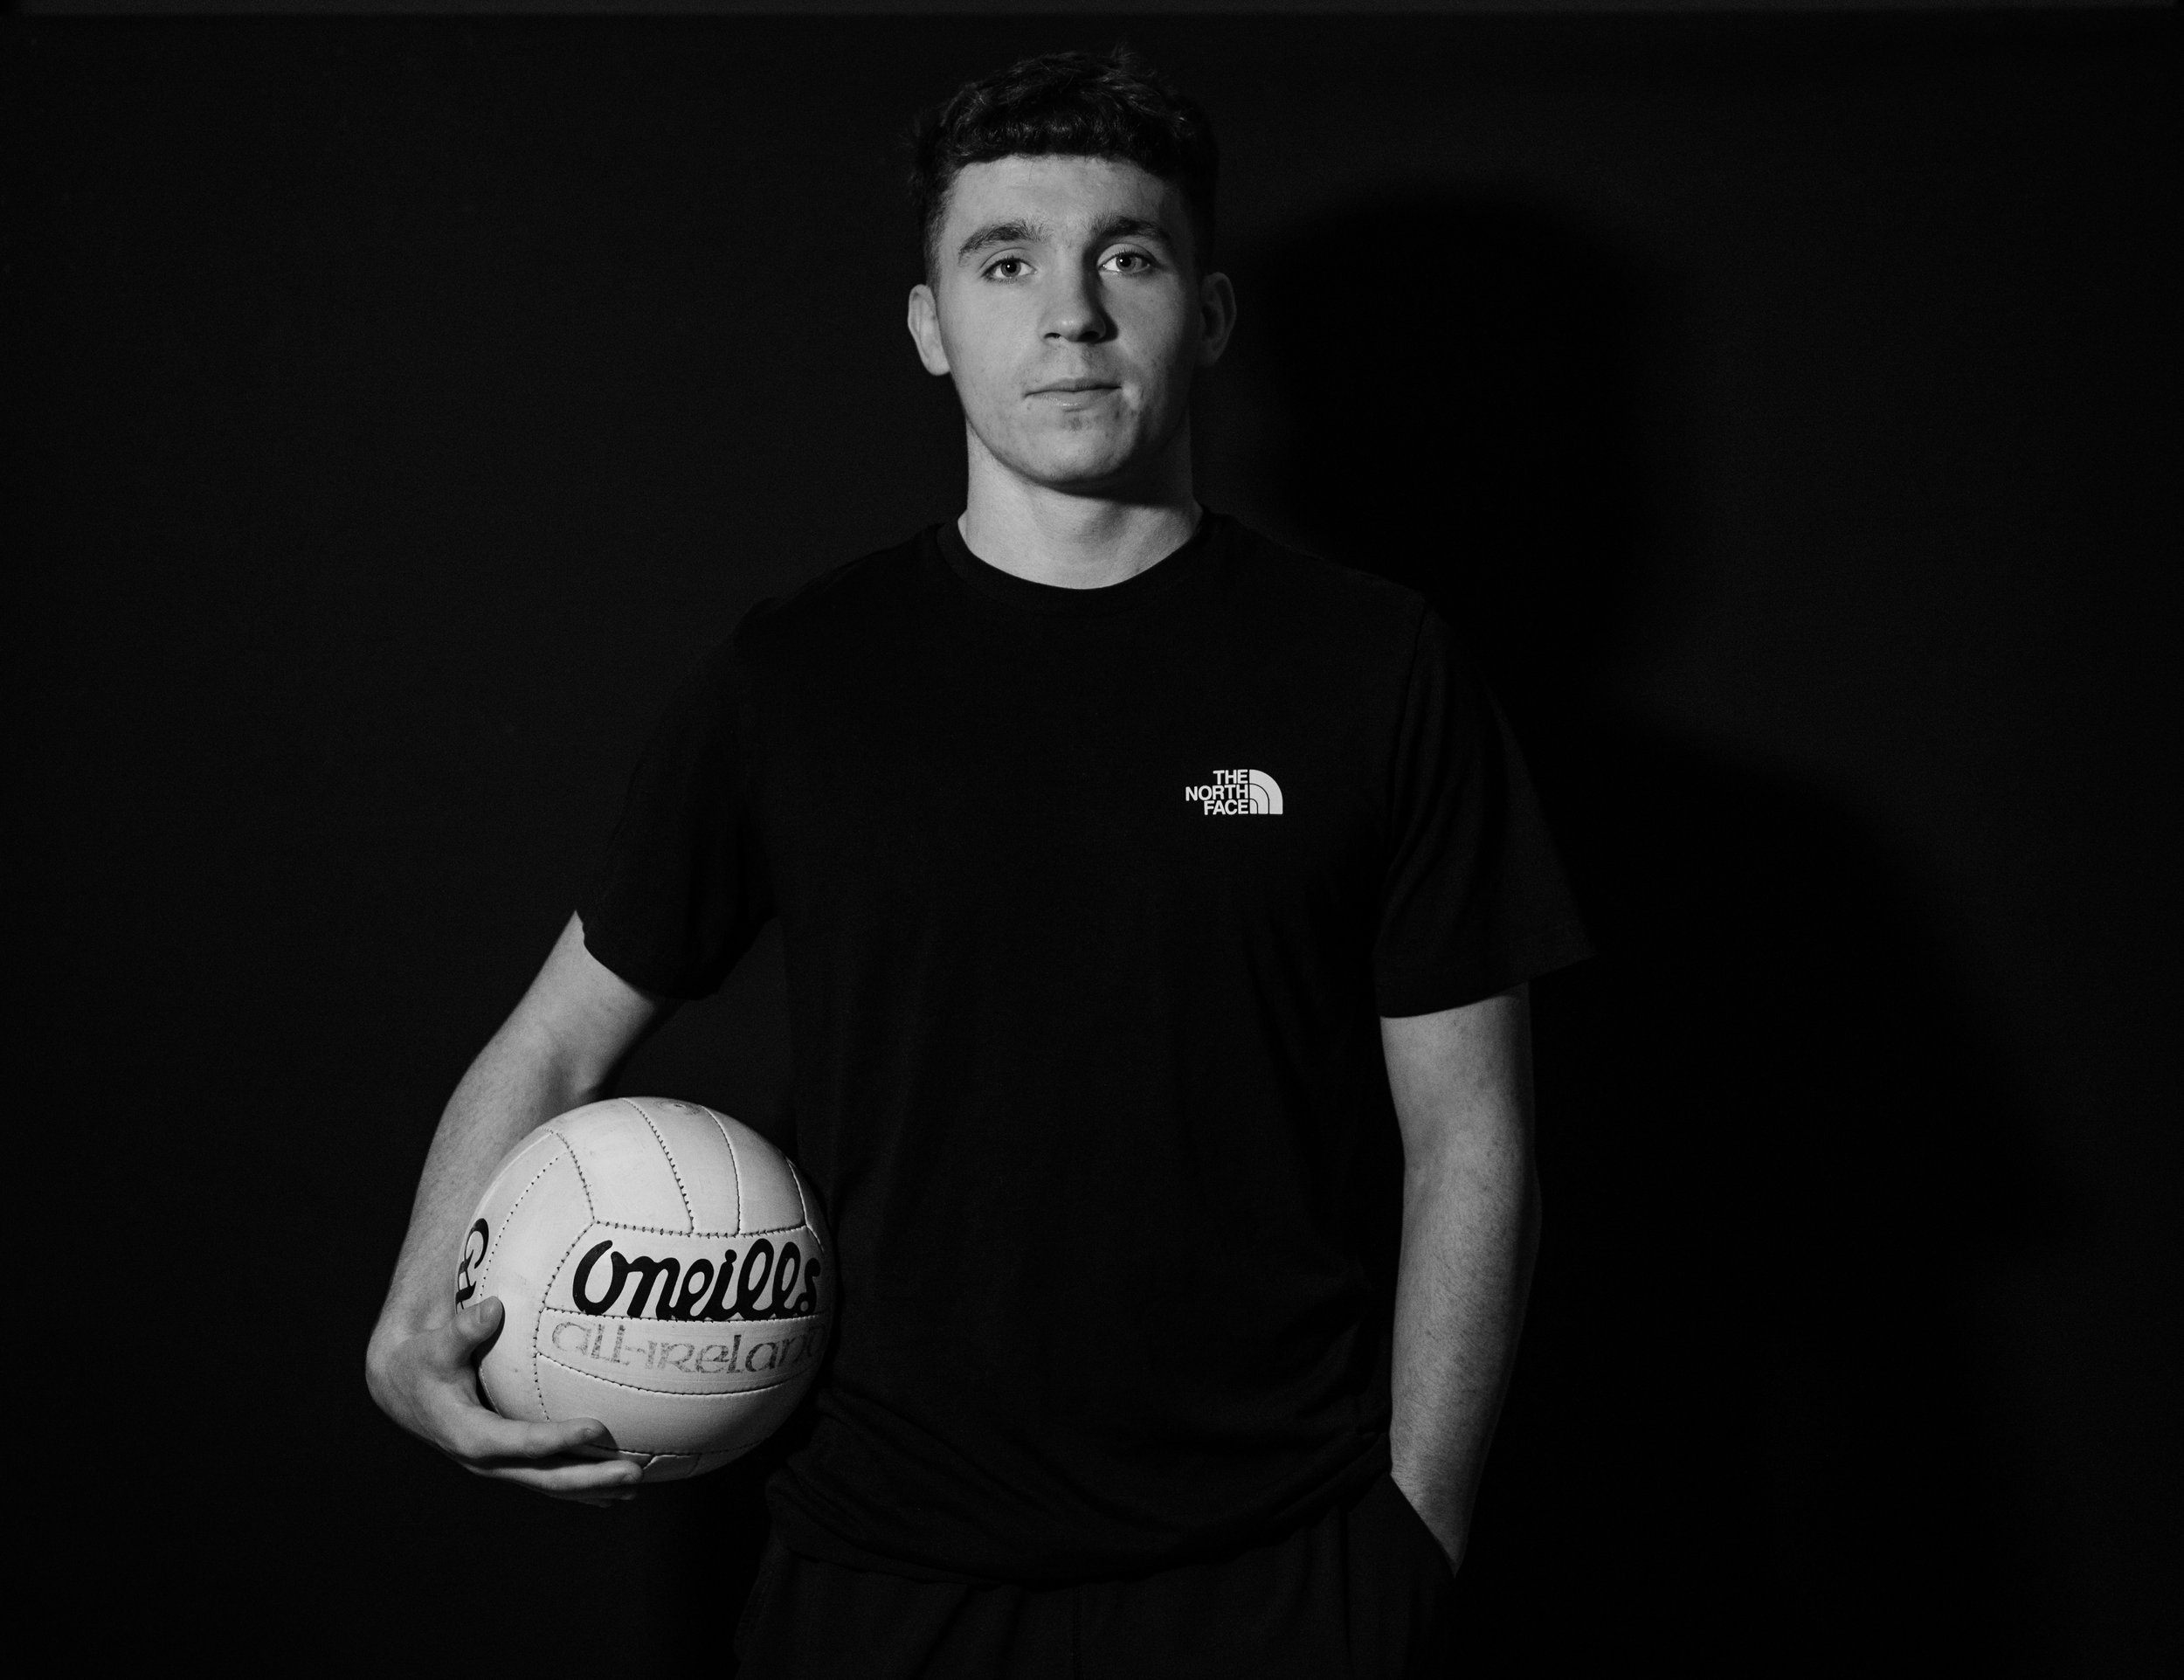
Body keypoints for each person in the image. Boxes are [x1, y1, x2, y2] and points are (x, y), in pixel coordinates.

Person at [366, 46, 1589, 1677]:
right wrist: (405, 1326)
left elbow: (1473, 1130)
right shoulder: (799, 677)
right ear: (933, 327)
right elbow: (561, 1037)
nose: (1069, 313)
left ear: (1207, 316)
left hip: (1280, 1569)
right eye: (1004, 261)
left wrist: (1412, 1533)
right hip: (879, 1574)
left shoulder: (1376, 670)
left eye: (1128, 256)